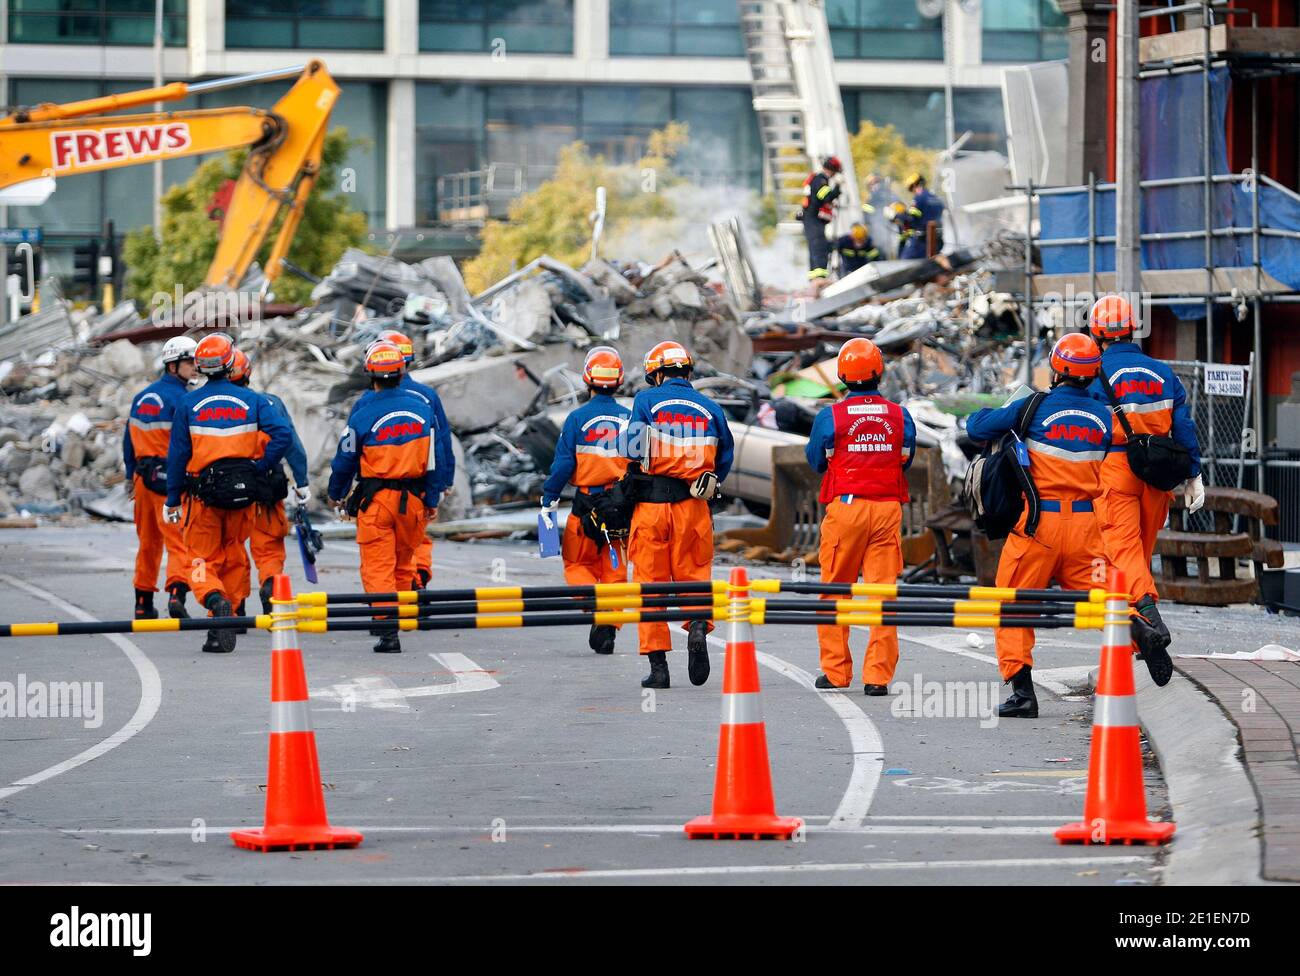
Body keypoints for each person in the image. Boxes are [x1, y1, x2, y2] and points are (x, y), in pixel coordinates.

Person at [966, 333, 1125, 717]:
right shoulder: (1106, 415)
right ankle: (1142, 642)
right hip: (1088, 528)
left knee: (1012, 603)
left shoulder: (1033, 407)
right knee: (1112, 604)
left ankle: (1023, 693)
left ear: (1056, 368)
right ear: (1093, 374)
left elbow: (976, 427)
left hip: (1038, 527)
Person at [1087, 295, 1203, 669]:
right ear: (1132, 328)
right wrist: (1194, 474)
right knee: (1138, 556)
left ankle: (1149, 616)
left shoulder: (1094, 373)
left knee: (1120, 555)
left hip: (1115, 469)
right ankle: (1139, 644)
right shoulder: (1163, 372)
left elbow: (1085, 429)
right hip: (1157, 475)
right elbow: (1183, 427)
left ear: (1096, 332)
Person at [165, 333, 290, 653]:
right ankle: (232, 614)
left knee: (200, 558)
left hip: (202, 498)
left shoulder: (188, 403)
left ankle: (215, 603)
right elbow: (283, 435)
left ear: (201, 367)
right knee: (234, 553)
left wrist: (172, 498)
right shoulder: (254, 401)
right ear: (230, 363)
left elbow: (178, 456)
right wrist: (259, 467)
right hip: (242, 496)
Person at [804, 338, 916, 695]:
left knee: (836, 591)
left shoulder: (830, 416)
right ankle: (878, 677)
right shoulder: (900, 415)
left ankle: (836, 673)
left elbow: (816, 461)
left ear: (842, 374)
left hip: (847, 509)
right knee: (882, 594)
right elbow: (905, 458)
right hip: (887, 510)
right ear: (879, 372)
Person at [626, 341, 735, 689]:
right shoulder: (710, 407)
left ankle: (658, 668)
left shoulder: (645, 400)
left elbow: (629, 448)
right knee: (695, 576)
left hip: (652, 507)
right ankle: (698, 626)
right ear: (688, 371)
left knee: (649, 586)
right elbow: (726, 459)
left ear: (656, 373)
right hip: (694, 507)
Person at [327, 342, 442, 654]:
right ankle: (401, 615)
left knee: (378, 565)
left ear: (370, 375)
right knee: (404, 562)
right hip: (415, 501)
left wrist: (336, 493)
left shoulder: (363, 414)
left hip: (377, 503)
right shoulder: (423, 409)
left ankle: (387, 627)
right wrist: (432, 498)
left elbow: (344, 460)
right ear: (402, 371)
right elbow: (436, 459)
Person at [540, 347, 632, 655]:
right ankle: (608, 622)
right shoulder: (630, 419)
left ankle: (592, 602)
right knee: (615, 572)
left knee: (577, 562)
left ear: (587, 381)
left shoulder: (577, 418)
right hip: (620, 509)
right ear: (619, 381)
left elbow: (564, 465)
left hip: (586, 506)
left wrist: (549, 495)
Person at [229, 349, 312, 615]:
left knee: (231, 548)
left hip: (228, 490)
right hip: (266, 487)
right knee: (269, 548)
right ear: (248, 373)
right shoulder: (271, 403)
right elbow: (292, 445)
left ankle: (233, 607)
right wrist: (302, 482)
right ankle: (269, 584)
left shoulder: (212, 406)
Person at [373, 328, 454, 590]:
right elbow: (441, 441)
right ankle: (417, 576)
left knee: (383, 547)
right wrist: (444, 481)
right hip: (421, 482)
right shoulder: (426, 395)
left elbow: (354, 447)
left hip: (379, 487)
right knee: (417, 537)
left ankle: (388, 604)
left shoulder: (369, 401)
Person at [124, 335, 196, 620]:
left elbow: (127, 440)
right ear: (172, 366)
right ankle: (177, 594)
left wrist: (130, 474)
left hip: (143, 479)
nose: (195, 367)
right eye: (189, 362)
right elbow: (188, 444)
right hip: (171, 482)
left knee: (148, 543)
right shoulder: (185, 400)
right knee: (179, 541)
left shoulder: (141, 398)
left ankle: (143, 603)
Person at [798, 155, 844, 289]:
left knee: (815, 248)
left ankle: (815, 279)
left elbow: (820, 200)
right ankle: (819, 280)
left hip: (811, 220)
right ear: (832, 169)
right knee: (819, 248)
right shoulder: (821, 180)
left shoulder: (817, 179)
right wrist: (838, 187)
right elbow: (825, 196)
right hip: (813, 220)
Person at [894, 173, 945, 260]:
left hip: (922, 242)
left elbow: (911, 219)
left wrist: (896, 215)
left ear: (915, 185)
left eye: (912, 188)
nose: (913, 191)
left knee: (905, 260)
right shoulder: (936, 198)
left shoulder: (918, 199)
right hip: (938, 240)